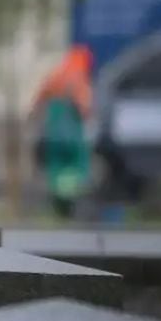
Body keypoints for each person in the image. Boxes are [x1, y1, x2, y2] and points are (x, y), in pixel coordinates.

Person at [32, 44, 94, 218]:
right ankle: (69, 207)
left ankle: (58, 205)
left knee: (56, 170)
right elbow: (84, 108)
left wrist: (35, 115)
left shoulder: (57, 74)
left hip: (54, 134)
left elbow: (39, 97)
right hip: (73, 136)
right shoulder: (80, 78)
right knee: (75, 171)